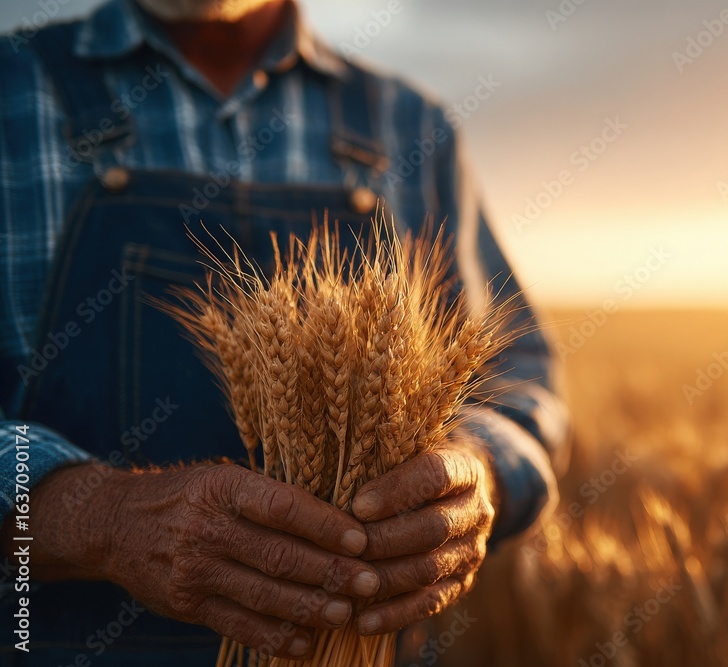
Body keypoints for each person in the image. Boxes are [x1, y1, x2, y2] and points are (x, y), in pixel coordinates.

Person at [0, 0, 568, 663]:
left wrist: (479, 473)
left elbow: (520, 381)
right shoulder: (13, 95)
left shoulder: (411, 125)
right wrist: (87, 516)